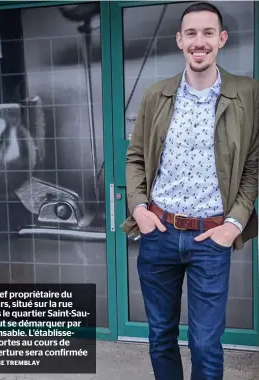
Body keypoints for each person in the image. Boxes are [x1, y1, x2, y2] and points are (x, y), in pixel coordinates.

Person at [121, 2, 259, 380]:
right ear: (180, 40)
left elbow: (253, 166)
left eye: (208, 33)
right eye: (192, 34)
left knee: (205, 344)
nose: (200, 42)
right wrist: (139, 210)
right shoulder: (157, 95)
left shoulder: (248, 95)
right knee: (161, 336)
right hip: (159, 233)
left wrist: (234, 223)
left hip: (210, 238)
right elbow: (135, 158)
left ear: (222, 39)